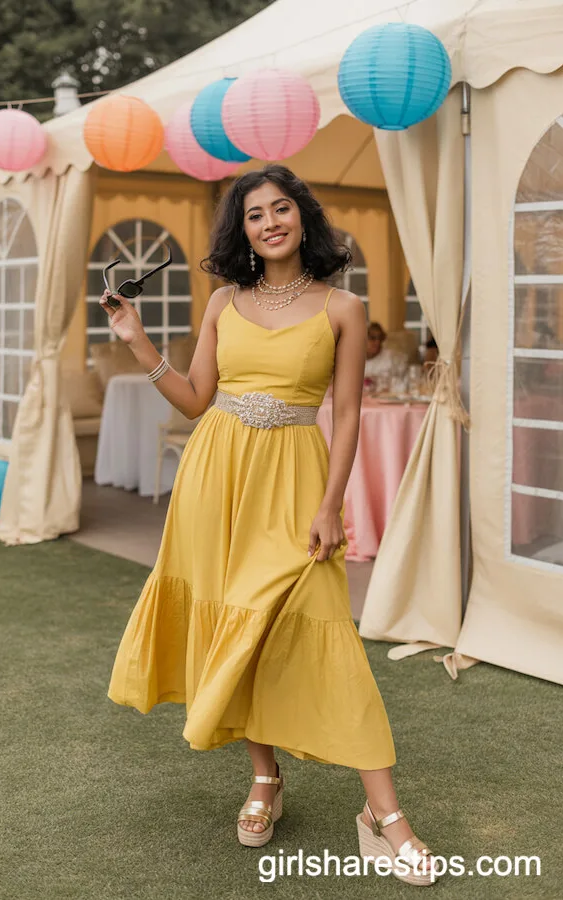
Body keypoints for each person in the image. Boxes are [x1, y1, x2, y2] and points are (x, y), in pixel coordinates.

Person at [101, 164, 436, 885]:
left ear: (303, 218)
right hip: (214, 477)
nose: (270, 222)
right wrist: (135, 337)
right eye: (255, 215)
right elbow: (194, 400)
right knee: (236, 626)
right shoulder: (223, 300)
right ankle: (265, 780)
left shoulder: (342, 308)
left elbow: (346, 415)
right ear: (242, 230)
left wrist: (329, 505)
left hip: (294, 481)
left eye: (281, 208)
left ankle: (384, 812)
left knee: (323, 629)